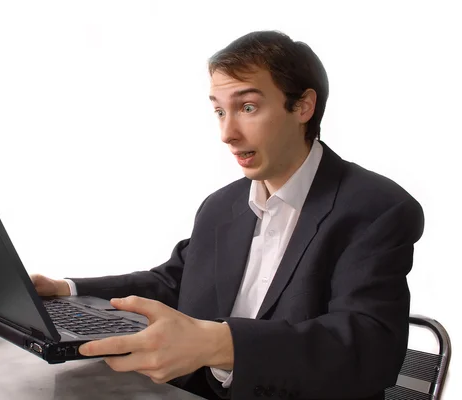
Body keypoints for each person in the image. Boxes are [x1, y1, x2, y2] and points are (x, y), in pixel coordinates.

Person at [31, 30, 424, 400]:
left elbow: (370, 348)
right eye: (220, 111)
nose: (227, 133)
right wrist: (67, 290)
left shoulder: (377, 208)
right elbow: (173, 283)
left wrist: (221, 344)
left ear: (303, 106)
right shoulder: (221, 205)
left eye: (247, 107)